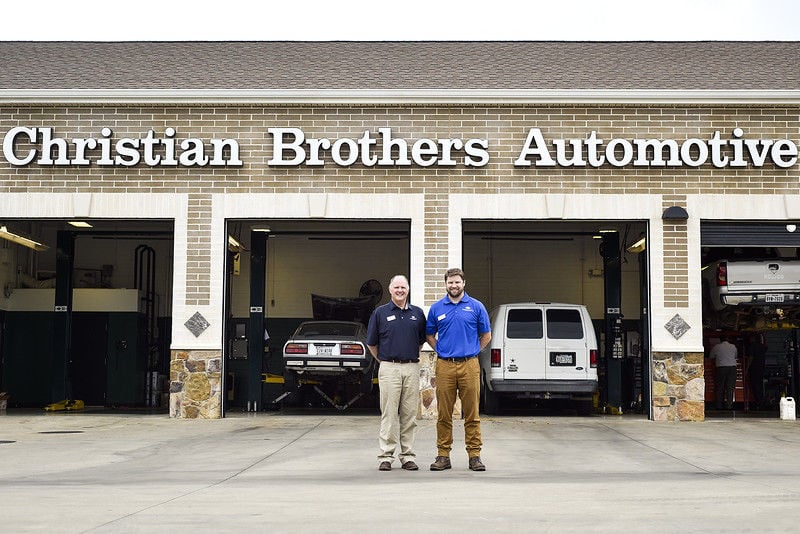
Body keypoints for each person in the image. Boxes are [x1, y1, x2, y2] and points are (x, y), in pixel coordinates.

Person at [425, 267, 491, 472]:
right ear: (445, 284)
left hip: (469, 365)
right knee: (444, 414)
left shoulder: (476, 306)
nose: (454, 285)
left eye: (457, 282)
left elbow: (486, 336)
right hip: (444, 365)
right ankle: (443, 456)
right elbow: (429, 335)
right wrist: (442, 351)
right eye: (450, 282)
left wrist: (472, 352)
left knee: (472, 413)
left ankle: (475, 456)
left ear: (464, 283)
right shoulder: (436, 308)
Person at [366, 274, 426, 472]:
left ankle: (408, 456)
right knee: (389, 414)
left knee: (409, 415)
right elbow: (372, 343)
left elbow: (420, 341)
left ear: (408, 290)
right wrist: (384, 360)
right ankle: (386, 456)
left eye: (403, 287)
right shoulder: (380, 313)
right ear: (390, 290)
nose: (400, 290)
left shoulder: (417, 313)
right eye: (396, 287)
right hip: (389, 367)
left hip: (411, 367)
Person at [709, 335, 738, 410]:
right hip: (732, 368)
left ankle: (719, 405)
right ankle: (729, 405)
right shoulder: (733, 346)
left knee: (720, 387)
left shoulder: (716, 347)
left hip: (721, 368)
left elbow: (711, 356)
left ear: (720, 340)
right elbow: (735, 356)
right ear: (728, 339)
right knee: (730, 387)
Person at [747, 335, 767, 409]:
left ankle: (759, 403)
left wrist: (747, 368)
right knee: (760, 385)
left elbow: (751, 358)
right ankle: (761, 402)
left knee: (755, 386)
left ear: (753, 338)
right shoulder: (762, 346)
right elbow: (766, 347)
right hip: (761, 368)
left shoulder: (752, 346)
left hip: (754, 368)